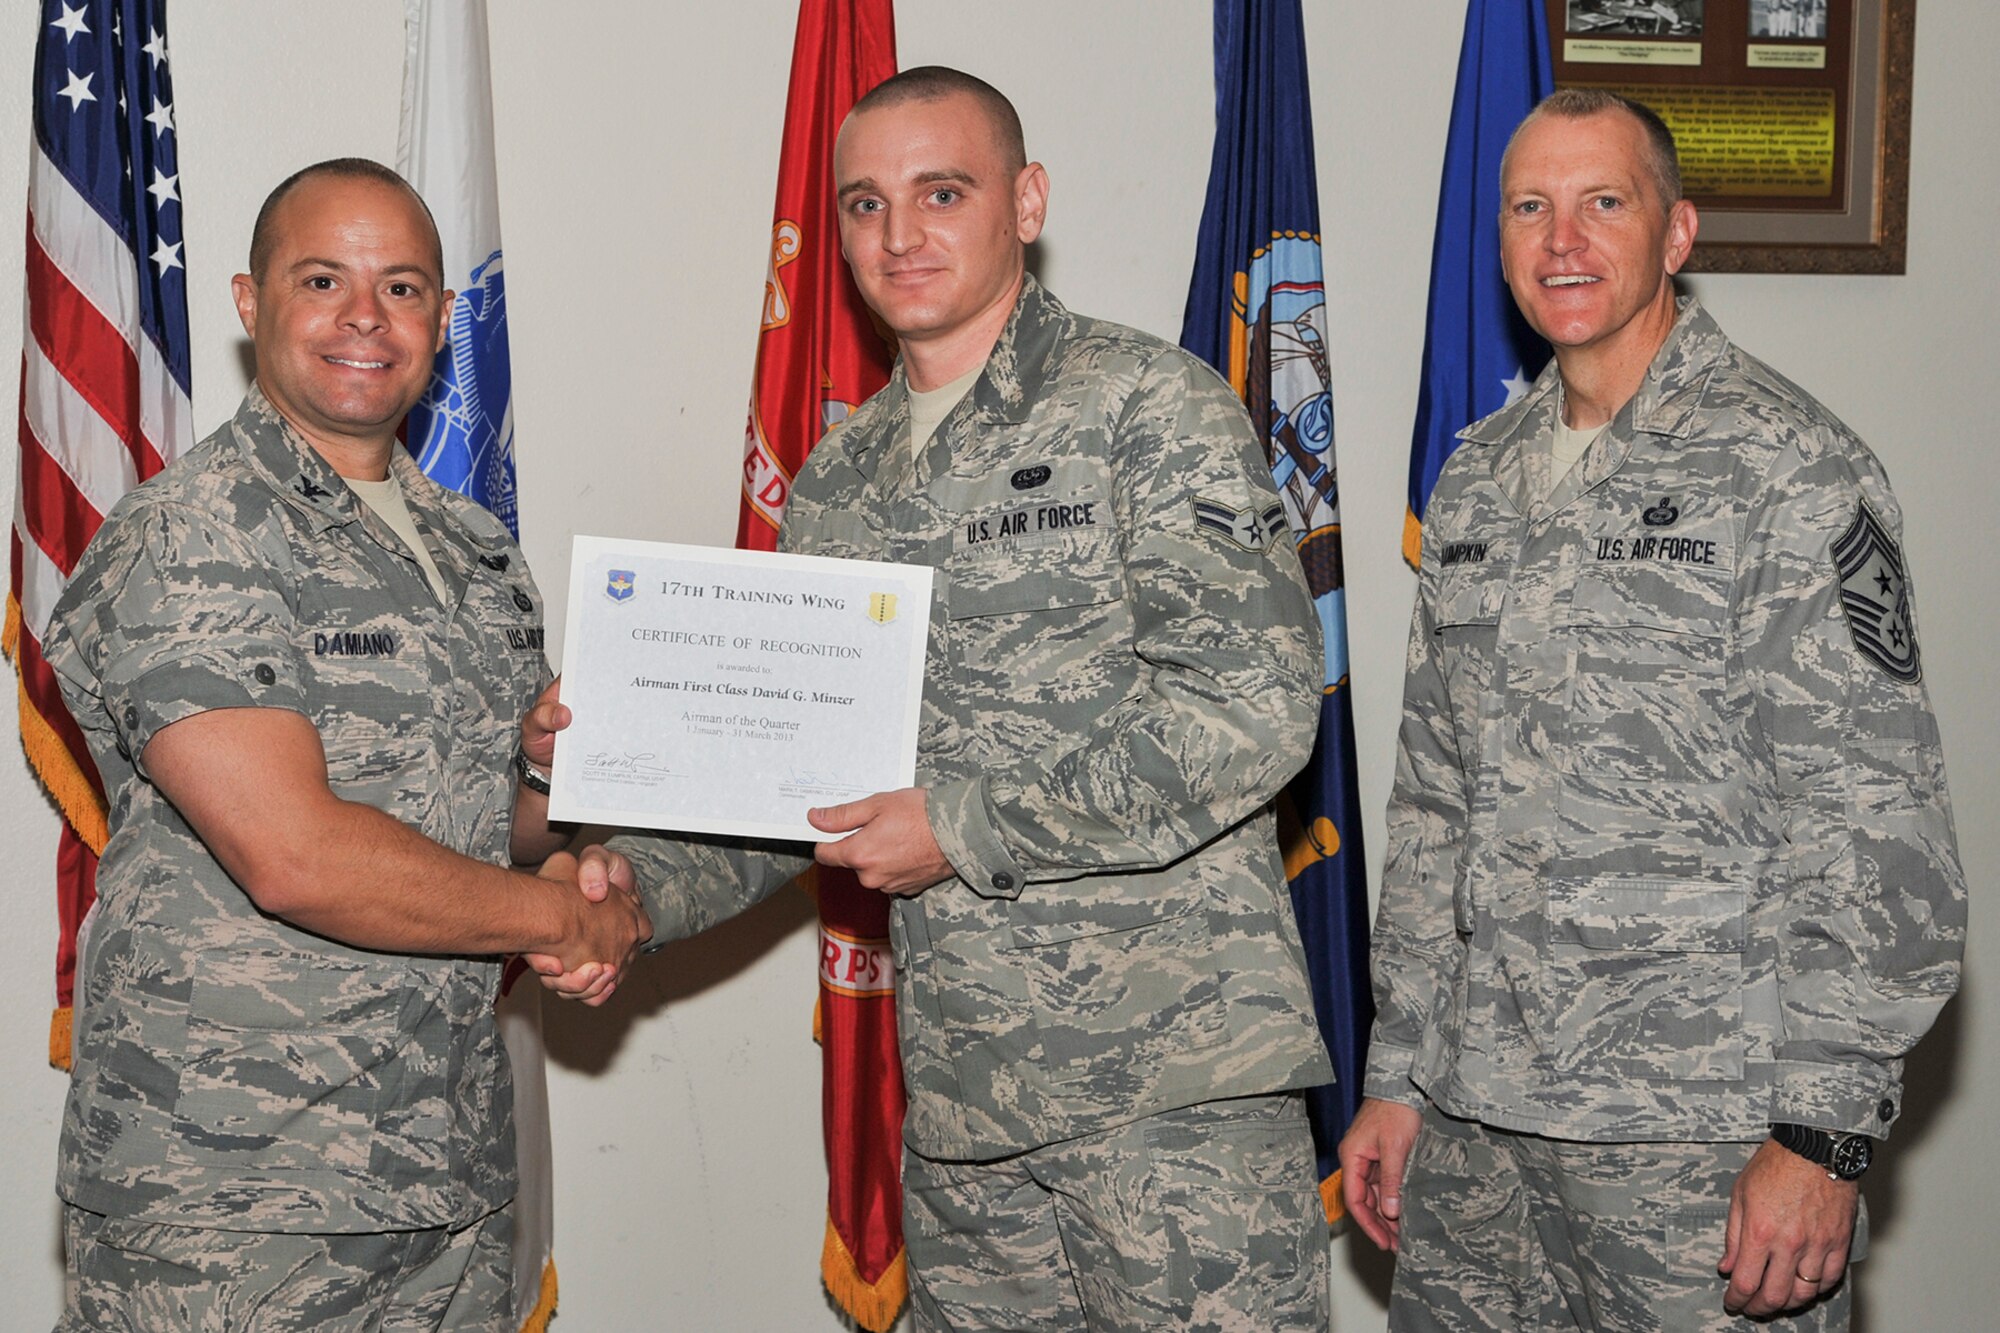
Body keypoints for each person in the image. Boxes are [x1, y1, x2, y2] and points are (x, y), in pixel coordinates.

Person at [530, 67, 1334, 1330]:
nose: (898, 236)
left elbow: (1253, 709)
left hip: (1174, 1097)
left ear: (1026, 202)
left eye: (939, 192)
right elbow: (794, 786)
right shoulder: (838, 482)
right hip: (966, 1108)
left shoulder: (1144, 405)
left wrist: (959, 826)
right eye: (863, 204)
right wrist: (629, 887)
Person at [1338, 90, 1965, 1331]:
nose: (1560, 241)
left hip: (1697, 1134)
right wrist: (1398, 1069)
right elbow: (1432, 799)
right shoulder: (1475, 478)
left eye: (1601, 204)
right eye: (1529, 207)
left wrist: (1819, 1134)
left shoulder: (1787, 467)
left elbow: (1869, 816)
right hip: (1473, 1125)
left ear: (1674, 234)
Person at [42, 159, 651, 1331]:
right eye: (323, 278)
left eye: (404, 286)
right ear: (248, 300)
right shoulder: (192, 533)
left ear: (439, 320)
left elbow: (492, 827)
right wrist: (561, 919)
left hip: (442, 1176)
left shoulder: (471, 551)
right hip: (232, 1199)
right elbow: (296, 855)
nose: (366, 316)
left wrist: (550, 786)